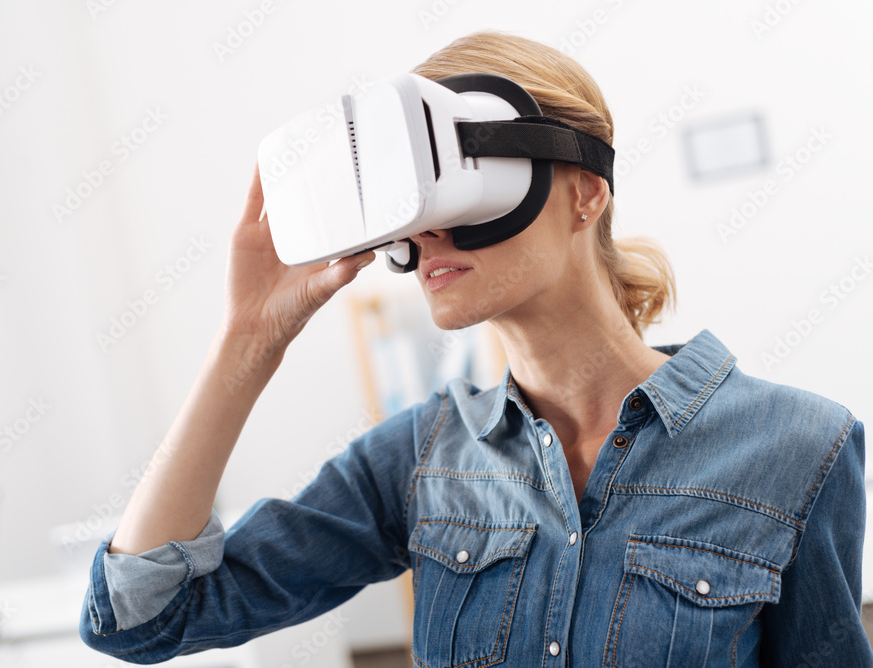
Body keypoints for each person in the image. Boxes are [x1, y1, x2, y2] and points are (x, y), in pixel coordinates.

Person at [79, 30, 871, 666]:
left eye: (454, 176)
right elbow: (142, 621)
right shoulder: (419, 460)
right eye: (408, 198)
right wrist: (244, 347)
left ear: (585, 193)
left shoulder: (800, 447)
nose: (425, 232)